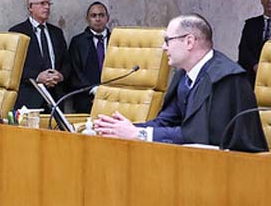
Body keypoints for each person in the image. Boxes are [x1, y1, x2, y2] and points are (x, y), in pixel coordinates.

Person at [95, 13, 267, 152]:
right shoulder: (183, 75)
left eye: (167, 41)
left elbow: (203, 136)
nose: (164, 47)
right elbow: (166, 121)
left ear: (189, 42)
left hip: (236, 168)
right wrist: (121, 129)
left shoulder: (226, 78)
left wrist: (140, 134)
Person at [9, 0, 70, 110]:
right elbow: (13, 66)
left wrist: (60, 75)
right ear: (30, 7)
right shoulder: (18, 32)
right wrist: (37, 77)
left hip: (55, 97)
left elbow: (67, 62)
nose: (47, 7)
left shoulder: (56, 32)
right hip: (30, 97)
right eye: (42, 3)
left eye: (48, 4)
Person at [66, 1, 111, 113]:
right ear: (87, 19)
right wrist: (93, 89)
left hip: (113, 98)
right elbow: (75, 71)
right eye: (93, 15)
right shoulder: (78, 42)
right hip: (86, 98)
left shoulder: (116, 40)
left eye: (101, 15)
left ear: (107, 18)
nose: (98, 19)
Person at [237, 0, 271, 80]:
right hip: (253, 74)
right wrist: (255, 65)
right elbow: (243, 49)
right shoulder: (251, 24)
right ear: (261, 1)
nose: (270, 1)